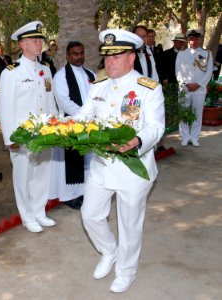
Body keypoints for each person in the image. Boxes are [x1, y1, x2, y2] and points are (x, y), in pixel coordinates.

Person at [76, 29, 165, 293]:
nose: (109, 63)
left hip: (133, 168)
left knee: (129, 223)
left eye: (116, 57)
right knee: (90, 214)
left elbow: (156, 127)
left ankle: (126, 270)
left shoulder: (148, 89)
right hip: (102, 166)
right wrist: (59, 127)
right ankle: (109, 250)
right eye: (107, 57)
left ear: (131, 58)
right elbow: (83, 117)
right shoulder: (98, 87)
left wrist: (137, 141)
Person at [0, 21, 57, 233]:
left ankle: (39, 211)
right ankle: (27, 215)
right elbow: (6, 108)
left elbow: (51, 101)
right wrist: (10, 138)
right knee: (23, 175)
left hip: (45, 132)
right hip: (23, 135)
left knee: (43, 172)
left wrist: (55, 126)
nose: (39, 43)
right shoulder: (11, 72)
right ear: (22, 44)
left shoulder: (46, 69)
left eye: (40, 39)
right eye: (34, 40)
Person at [50, 41, 95, 210]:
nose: (79, 57)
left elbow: (97, 97)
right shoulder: (61, 76)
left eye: (81, 53)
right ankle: (70, 196)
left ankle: (85, 192)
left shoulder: (90, 74)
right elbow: (64, 101)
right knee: (72, 163)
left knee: (88, 161)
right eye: (75, 54)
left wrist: (92, 117)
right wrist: (84, 117)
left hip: (89, 124)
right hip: (71, 123)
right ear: (67, 56)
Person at [176, 29, 214, 147]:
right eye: (191, 39)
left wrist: (198, 84)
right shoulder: (182, 53)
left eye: (196, 38)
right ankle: (185, 137)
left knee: (197, 113)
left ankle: (194, 137)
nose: (194, 41)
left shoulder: (207, 53)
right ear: (188, 40)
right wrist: (186, 84)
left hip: (199, 89)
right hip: (185, 88)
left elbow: (209, 71)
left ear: (200, 39)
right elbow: (178, 71)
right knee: (184, 113)